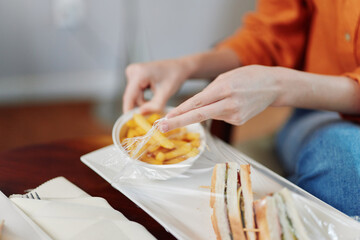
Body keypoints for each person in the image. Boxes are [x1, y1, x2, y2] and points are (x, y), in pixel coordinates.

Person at [123, 0, 360, 217]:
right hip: (316, 112)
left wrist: (278, 86)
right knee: (346, 169)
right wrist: (186, 66)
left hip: (319, 114)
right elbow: (271, 35)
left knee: (348, 171)